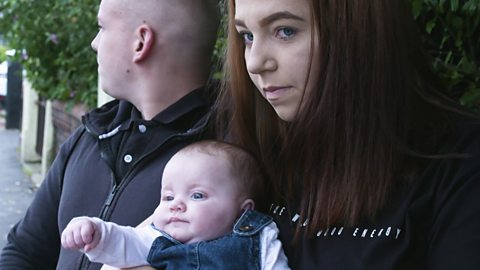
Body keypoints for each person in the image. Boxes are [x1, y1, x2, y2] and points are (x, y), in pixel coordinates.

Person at [216, 0, 480, 269]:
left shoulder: (459, 165)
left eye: (285, 31)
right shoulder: (247, 154)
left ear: (359, 31)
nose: (256, 62)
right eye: (247, 36)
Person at [0, 0, 220, 269]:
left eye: (102, 27)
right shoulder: (92, 135)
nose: (94, 42)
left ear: (141, 42)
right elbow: (25, 250)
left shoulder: (229, 158)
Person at [61, 140, 290, 269]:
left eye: (197, 196)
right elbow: (124, 242)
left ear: (243, 211)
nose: (176, 205)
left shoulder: (259, 240)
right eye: (168, 197)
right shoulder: (158, 239)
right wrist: (96, 232)